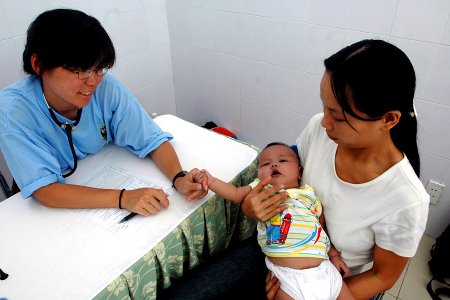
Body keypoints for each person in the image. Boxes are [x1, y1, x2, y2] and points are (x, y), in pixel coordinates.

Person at [242, 40, 430, 299]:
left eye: (339, 117)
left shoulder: (406, 201)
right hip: (279, 254)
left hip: (336, 283)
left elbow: (382, 276)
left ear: (388, 119)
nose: (325, 122)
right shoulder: (319, 129)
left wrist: (310, 292)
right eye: (324, 106)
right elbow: (284, 182)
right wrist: (250, 207)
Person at [0, 9, 206, 214]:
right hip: (50, 208)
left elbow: (151, 139)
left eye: (99, 68)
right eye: (80, 70)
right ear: (38, 64)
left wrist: (179, 177)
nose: (93, 82)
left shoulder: (106, 88)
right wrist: (124, 198)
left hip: (98, 173)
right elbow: (44, 189)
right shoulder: (13, 111)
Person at [195, 142, 354, 300]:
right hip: (287, 279)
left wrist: (334, 256)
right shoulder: (261, 191)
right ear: (258, 175)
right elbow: (235, 193)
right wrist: (211, 181)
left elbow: (321, 229)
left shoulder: (309, 196)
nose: (274, 164)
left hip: (325, 271)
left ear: (300, 172)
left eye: (283, 161)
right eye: (266, 163)